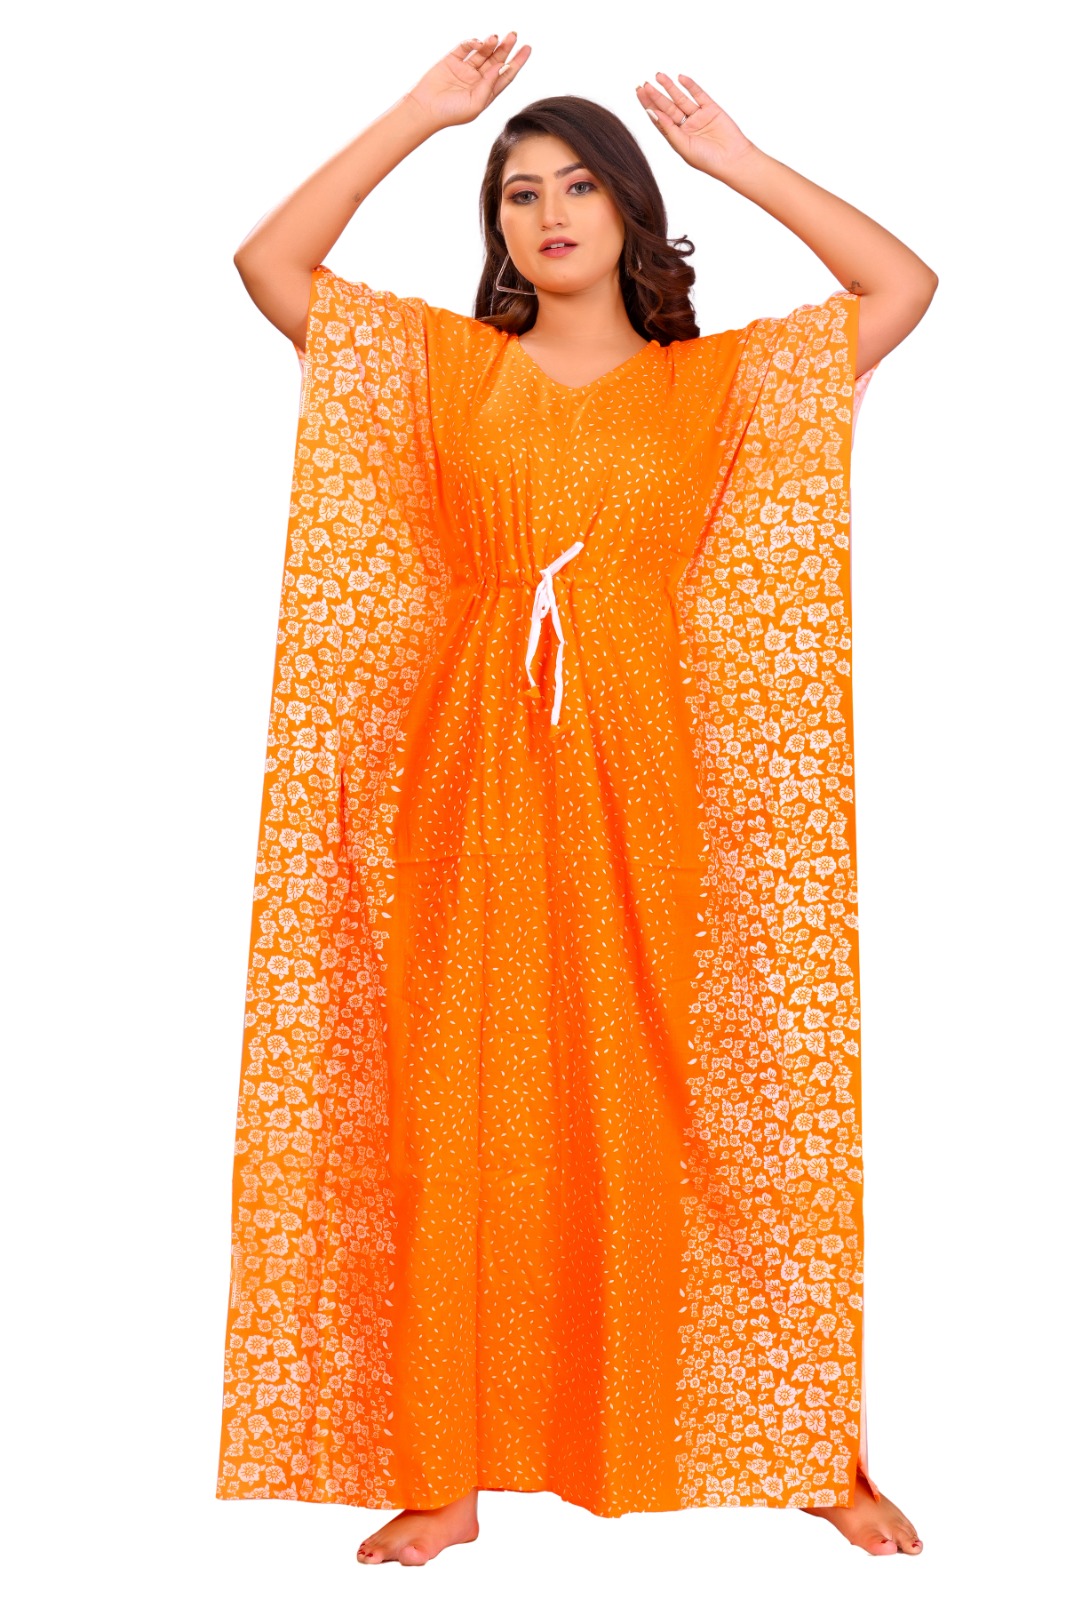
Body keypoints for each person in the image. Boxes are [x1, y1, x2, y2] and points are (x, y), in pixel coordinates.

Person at [219, 31, 936, 1567]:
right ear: (495, 227)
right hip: (470, 775)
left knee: (686, 1111)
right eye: (517, 193)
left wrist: (738, 162)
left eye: (576, 187)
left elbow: (898, 288)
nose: (547, 214)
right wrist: (423, 115)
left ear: (627, 207)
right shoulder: (447, 367)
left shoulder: (713, 385)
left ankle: (797, 1445)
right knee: (459, 1118)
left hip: (651, 781)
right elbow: (270, 265)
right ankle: (448, 1476)